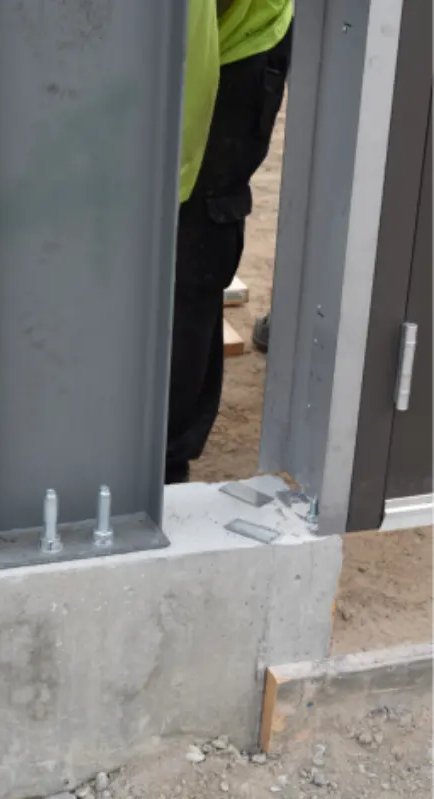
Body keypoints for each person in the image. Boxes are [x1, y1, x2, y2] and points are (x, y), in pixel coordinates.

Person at [0, 0, 290, 484]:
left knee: (188, 247)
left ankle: (163, 459)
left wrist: (140, 213)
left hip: (231, 38)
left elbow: (185, 91)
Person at [164, 0, 292, 481]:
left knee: (193, 234)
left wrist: (165, 199)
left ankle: (165, 457)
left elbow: (193, 82)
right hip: (174, 32)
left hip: (238, 37)